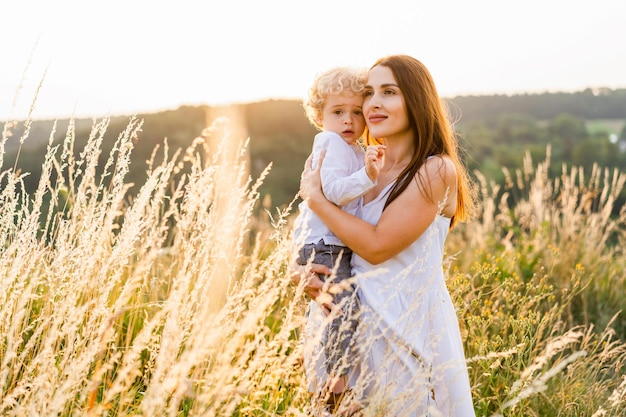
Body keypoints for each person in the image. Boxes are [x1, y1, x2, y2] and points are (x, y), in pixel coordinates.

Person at [293, 54, 476, 416]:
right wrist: (300, 268)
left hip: (404, 328)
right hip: (346, 325)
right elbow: (315, 226)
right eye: (369, 93)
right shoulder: (356, 162)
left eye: (389, 92)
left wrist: (315, 198)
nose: (373, 102)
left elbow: (376, 246)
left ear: (416, 101)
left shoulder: (435, 169)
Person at [291, 66, 385, 412]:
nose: (349, 120)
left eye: (356, 112)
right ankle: (337, 383)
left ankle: (334, 376)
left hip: (336, 243)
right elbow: (331, 192)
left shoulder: (355, 148)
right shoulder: (330, 143)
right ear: (319, 116)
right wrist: (368, 175)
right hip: (326, 245)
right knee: (340, 310)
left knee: (343, 309)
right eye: (338, 112)